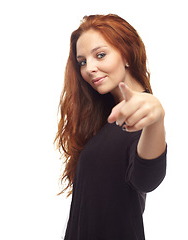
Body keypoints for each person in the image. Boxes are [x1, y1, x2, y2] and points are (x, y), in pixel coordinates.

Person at [55, 14, 167, 240]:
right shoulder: (106, 123)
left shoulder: (139, 120)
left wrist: (156, 122)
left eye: (100, 55)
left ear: (126, 54)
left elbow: (146, 180)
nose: (89, 69)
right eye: (83, 61)